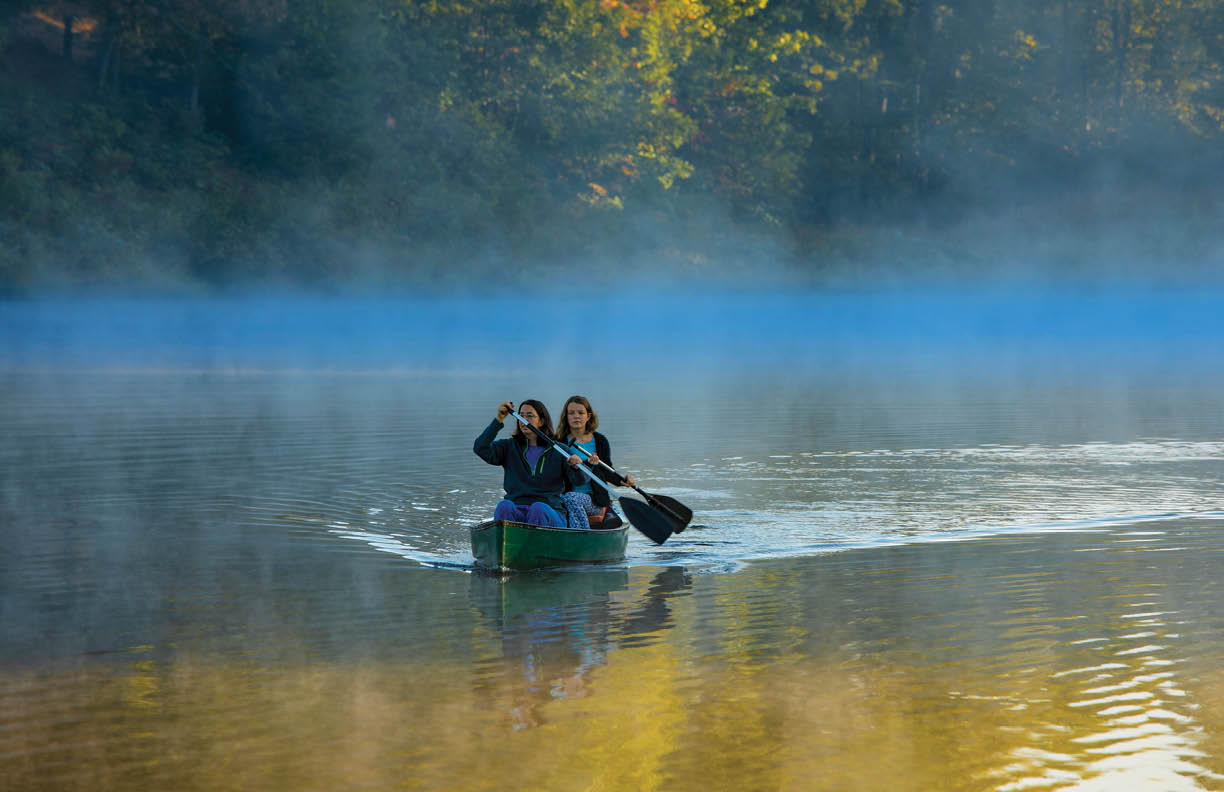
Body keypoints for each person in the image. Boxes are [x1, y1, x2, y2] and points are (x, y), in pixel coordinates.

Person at [474, 399, 582, 527]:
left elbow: (580, 480)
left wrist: (576, 467)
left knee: (538, 509)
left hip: (549, 512)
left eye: (530, 416)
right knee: (504, 506)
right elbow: (480, 448)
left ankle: (535, 544)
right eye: (521, 416)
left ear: (541, 421)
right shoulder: (508, 447)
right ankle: (508, 543)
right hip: (518, 510)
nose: (523, 420)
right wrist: (499, 419)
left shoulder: (560, 450)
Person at [555, 395, 635, 530]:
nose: (576, 416)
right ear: (566, 416)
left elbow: (607, 470)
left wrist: (622, 480)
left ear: (588, 416)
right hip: (564, 498)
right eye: (571, 413)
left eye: (581, 413)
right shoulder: (559, 442)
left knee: (571, 498)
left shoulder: (599, 440)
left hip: (594, 500)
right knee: (568, 497)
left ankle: (582, 535)